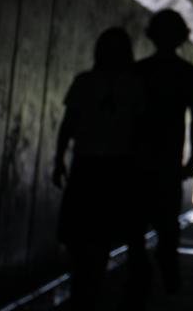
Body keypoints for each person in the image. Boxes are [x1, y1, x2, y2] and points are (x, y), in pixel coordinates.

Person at [53, 28, 145, 311]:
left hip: (86, 166)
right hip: (117, 169)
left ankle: (82, 290)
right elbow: (141, 131)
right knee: (102, 236)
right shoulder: (135, 86)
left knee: (79, 235)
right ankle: (91, 289)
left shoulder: (85, 82)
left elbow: (68, 124)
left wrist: (59, 159)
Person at [130, 9, 193, 303]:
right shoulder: (189, 74)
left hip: (139, 161)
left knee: (136, 226)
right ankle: (166, 267)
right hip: (168, 164)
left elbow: (129, 118)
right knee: (166, 225)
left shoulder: (139, 71)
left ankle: (140, 279)